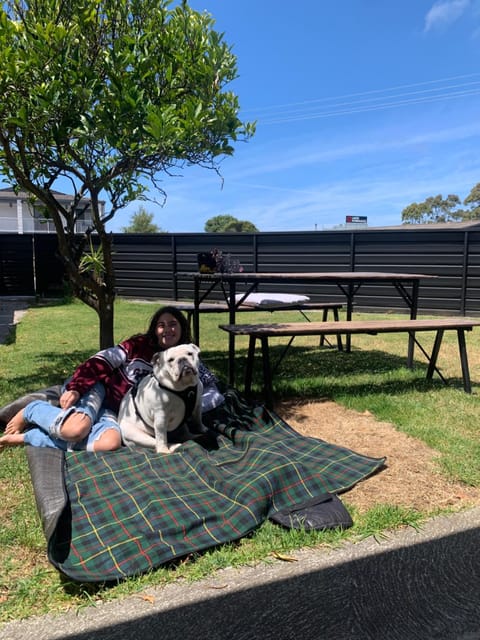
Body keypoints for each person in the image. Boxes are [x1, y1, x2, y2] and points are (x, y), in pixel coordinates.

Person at [0, 306, 224, 452]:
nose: (167, 329)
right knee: (77, 430)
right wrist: (78, 388)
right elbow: (102, 361)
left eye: (173, 324)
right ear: (154, 329)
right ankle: (32, 409)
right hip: (98, 390)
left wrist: (188, 409)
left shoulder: (189, 356)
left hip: (118, 412)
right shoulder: (137, 345)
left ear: (182, 328)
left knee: (110, 443)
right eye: (161, 324)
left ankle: (28, 437)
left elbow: (213, 391)